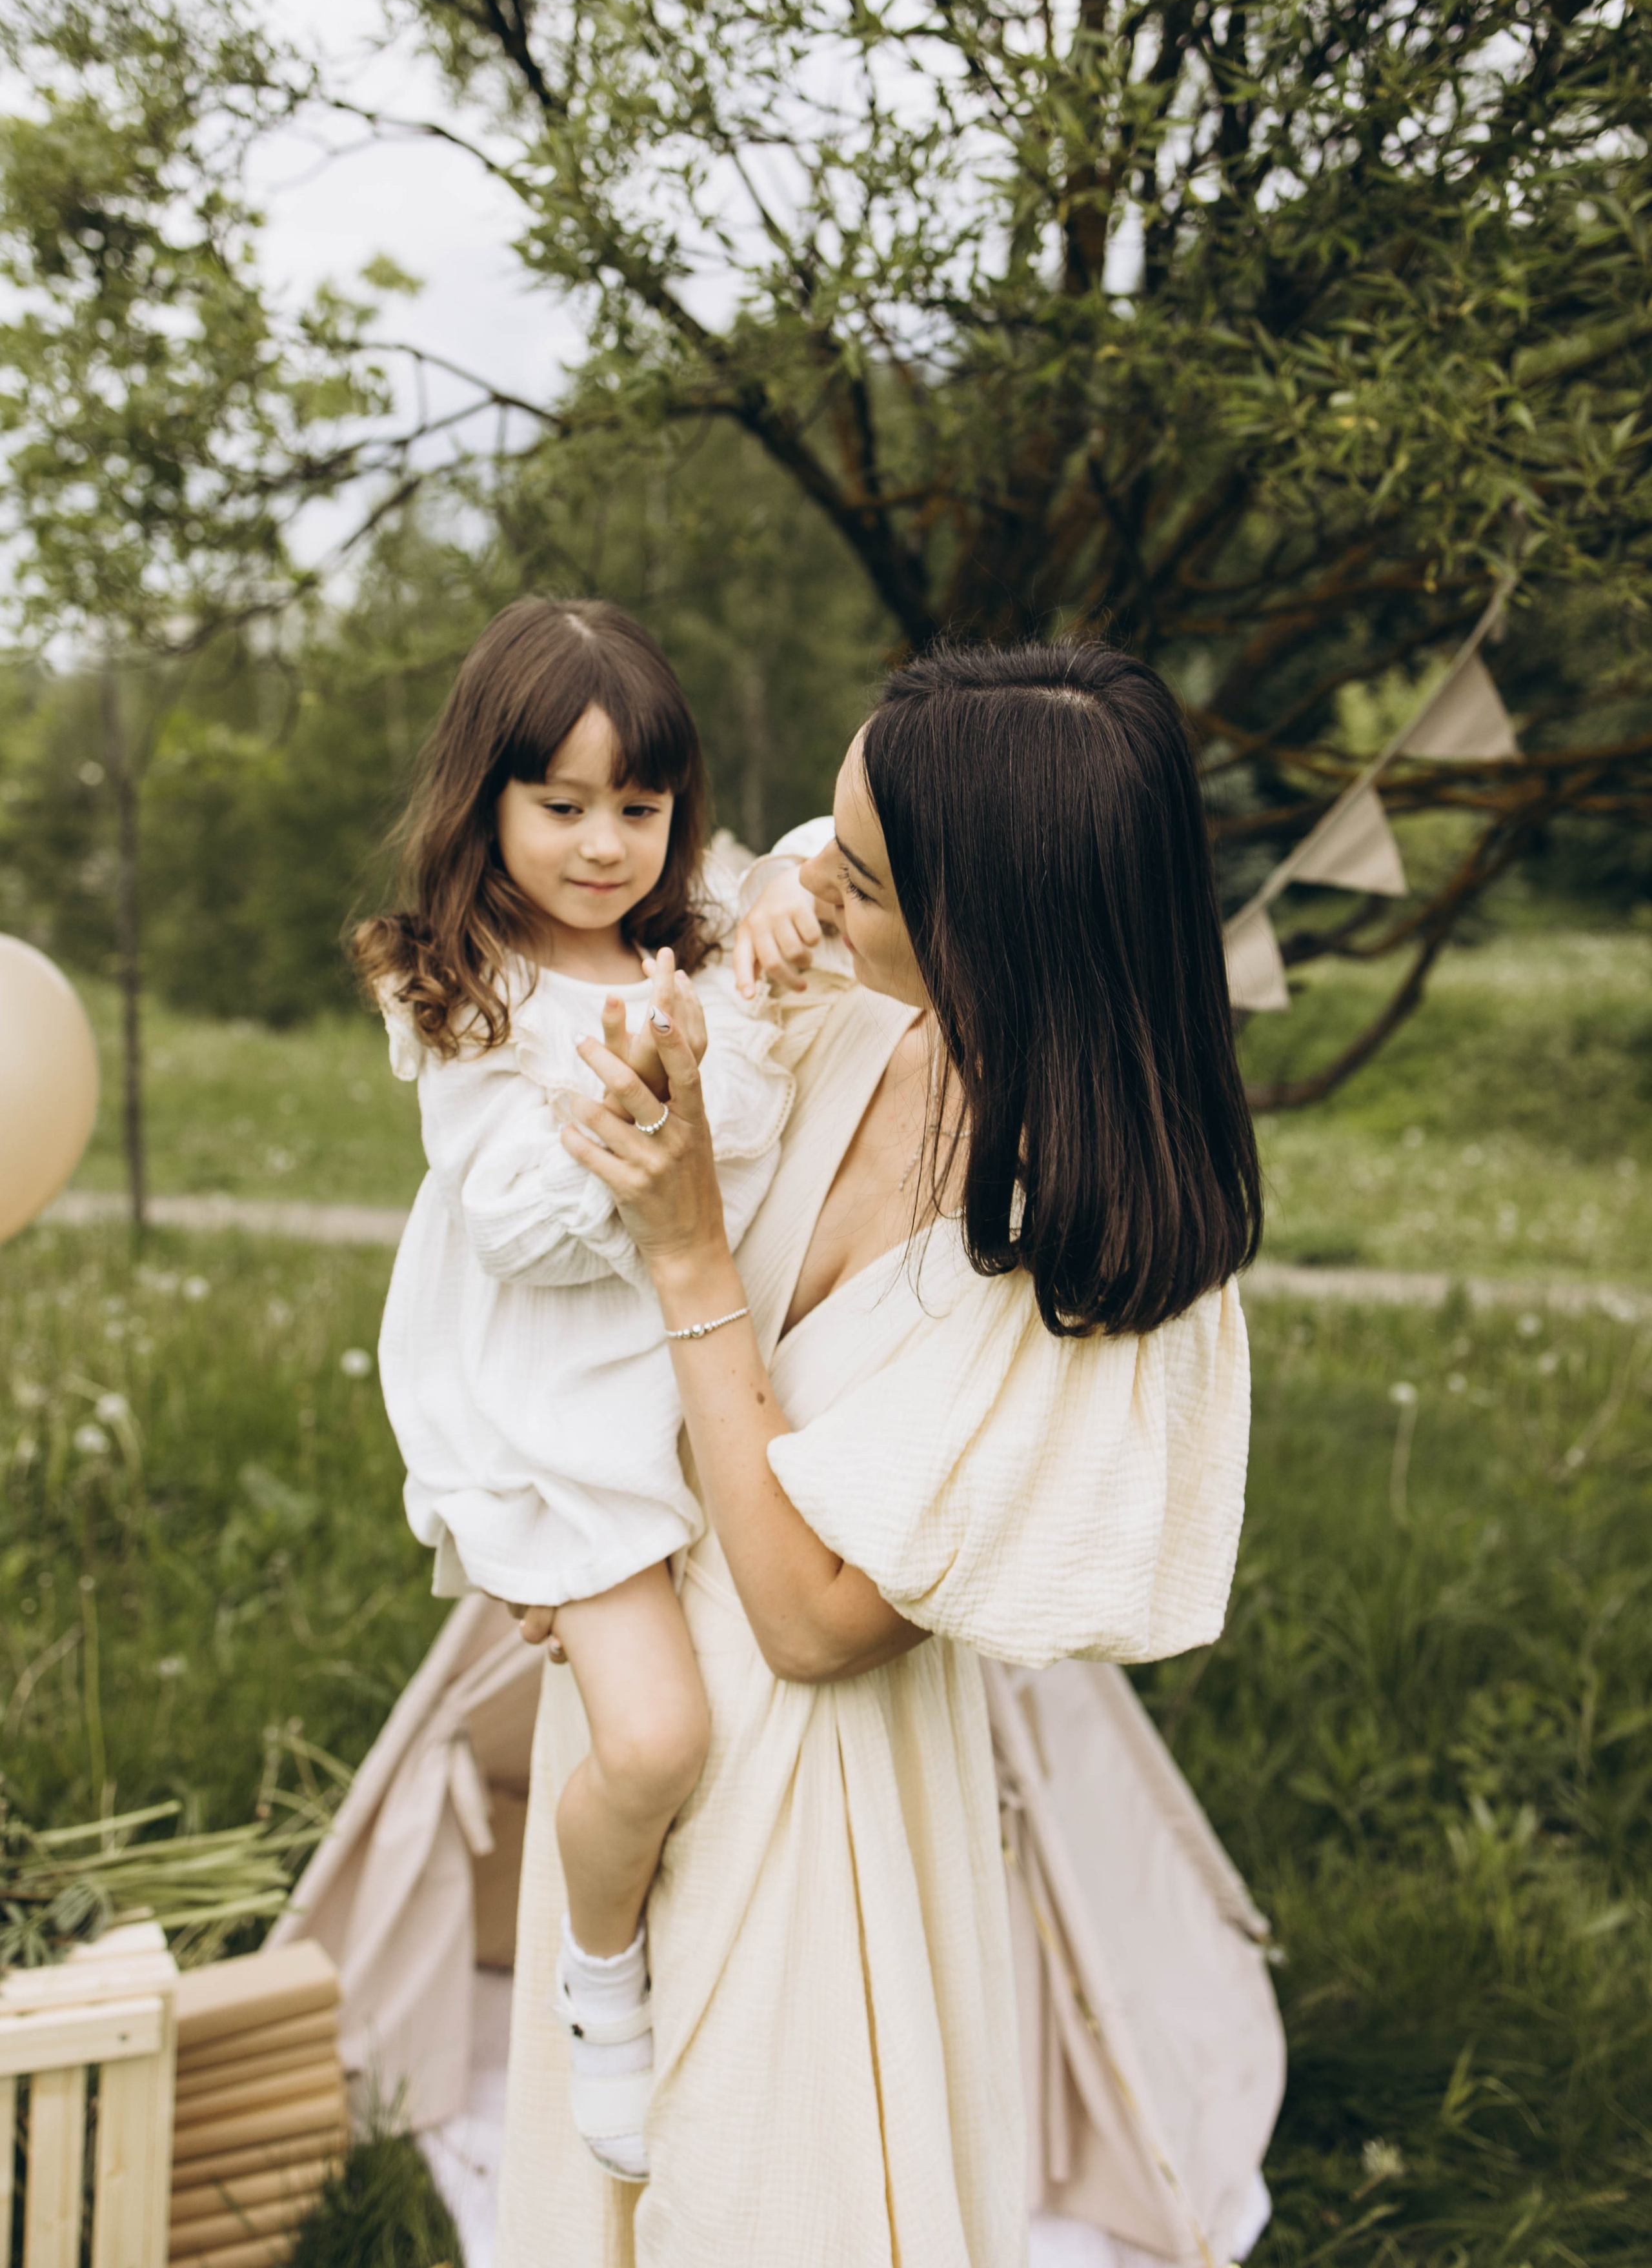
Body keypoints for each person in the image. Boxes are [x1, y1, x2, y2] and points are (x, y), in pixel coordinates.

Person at [496, 637, 1265, 2265]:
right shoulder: (834, 1008)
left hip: (814, 1809)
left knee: (768, 2205)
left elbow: (818, 1625)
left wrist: (693, 1251)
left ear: (984, 917)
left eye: (852, 874)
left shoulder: (1096, 1238)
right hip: (635, 1711)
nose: (799, 885)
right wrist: (557, 1534)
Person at [354, 597, 795, 2182]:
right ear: (487, 800)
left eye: (639, 807)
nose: (604, 844)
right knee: (662, 1739)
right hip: (571, 1424)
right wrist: (644, 1077)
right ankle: (596, 1971)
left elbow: (748, 1128)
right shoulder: (464, 991)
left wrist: (754, 960)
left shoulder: (697, 959)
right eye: (561, 805)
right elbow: (523, 1234)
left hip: (709, 1395)